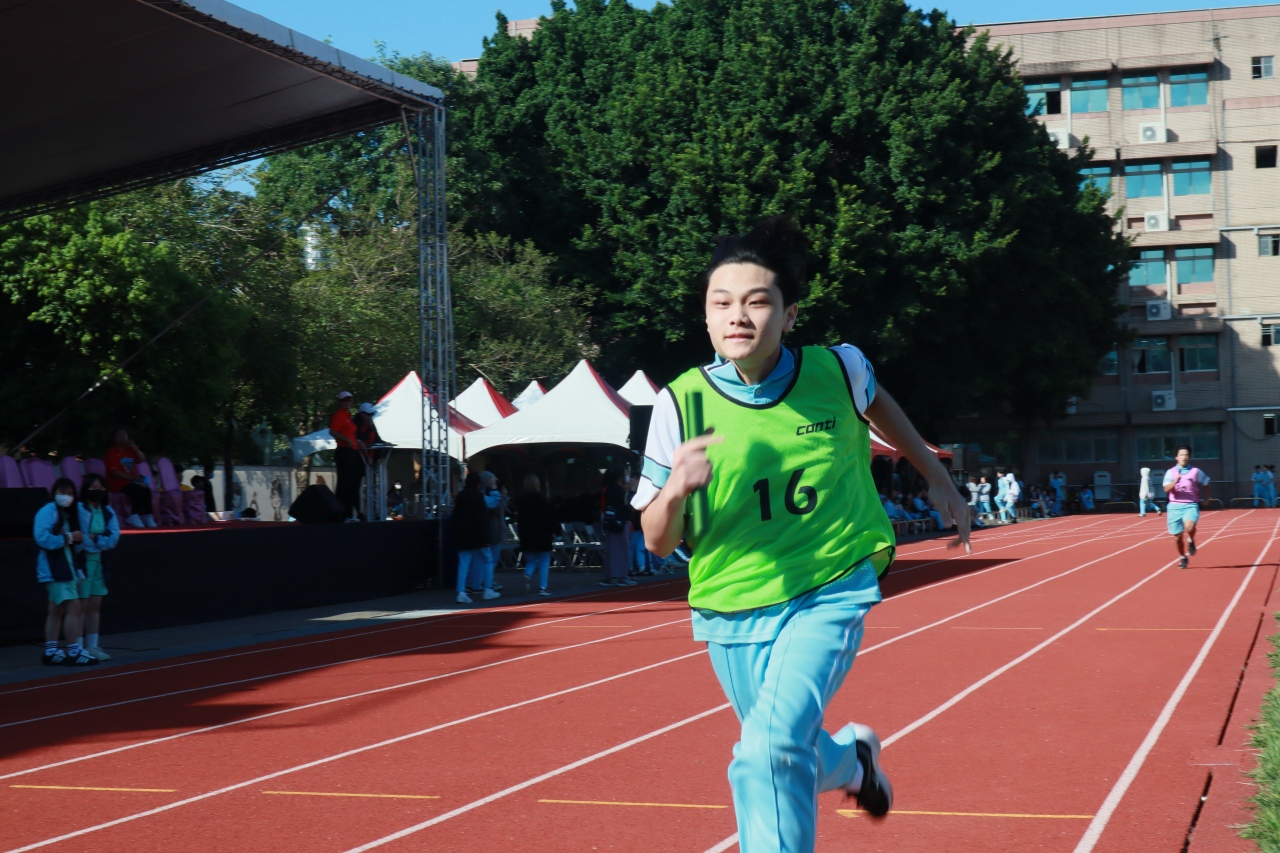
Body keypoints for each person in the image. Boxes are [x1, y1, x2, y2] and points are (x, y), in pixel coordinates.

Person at [632, 216, 971, 851]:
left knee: (765, 752)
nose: (738, 316)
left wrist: (936, 475)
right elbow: (656, 541)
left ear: (789, 315)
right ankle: (851, 763)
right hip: (730, 602)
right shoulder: (681, 404)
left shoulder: (837, 369)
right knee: (782, 749)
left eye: (757, 302)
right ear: (705, 317)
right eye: (721, 303)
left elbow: (878, 403)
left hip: (829, 585)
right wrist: (675, 489)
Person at [35, 478, 97, 666]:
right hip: (55, 569)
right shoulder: (47, 512)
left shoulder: (68, 514)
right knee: (74, 608)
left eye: (70, 493)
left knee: (56, 609)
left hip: (65, 567)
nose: (67, 497)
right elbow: (42, 538)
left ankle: (51, 651)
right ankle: (74, 651)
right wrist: (68, 537)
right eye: (63, 492)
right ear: (54, 492)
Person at [78, 473, 121, 660]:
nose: (98, 491)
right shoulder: (79, 509)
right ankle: (77, 647)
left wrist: (97, 538)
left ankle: (93, 646)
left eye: (101, 488)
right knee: (81, 606)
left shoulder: (108, 511)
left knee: (95, 605)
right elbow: (83, 538)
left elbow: (114, 538)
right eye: (94, 487)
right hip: (82, 562)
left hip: (100, 563)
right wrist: (97, 540)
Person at [453, 473, 500, 603]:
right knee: (488, 560)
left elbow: (455, 517)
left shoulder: (460, 496)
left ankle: (461, 592)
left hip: (464, 535)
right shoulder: (479, 496)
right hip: (479, 535)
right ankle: (488, 589)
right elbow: (490, 506)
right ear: (478, 484)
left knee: (464, 564)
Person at [1164, 446, 1210, 569]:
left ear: (1189, 457)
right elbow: (1166, 489)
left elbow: (1206, 482)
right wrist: (1175, 481)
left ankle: (1191, 539)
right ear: (1176, 457)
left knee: (1189, 526)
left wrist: (1206, 499)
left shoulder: (1195, 471)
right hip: (1174, 506)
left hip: (1191, 504)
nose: (1184, 457)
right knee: (1178, 538)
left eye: (1186, 455)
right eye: (1181, 455)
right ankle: (1183, 557)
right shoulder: (1171, 472)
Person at [511, 474, 557, 596]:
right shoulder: (542, 500)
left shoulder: (521, 502)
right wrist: (556, 531)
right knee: (544, 561)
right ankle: (543, 587)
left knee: (530, 561)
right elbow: (550, 518)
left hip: (527, 536)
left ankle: (527, 574)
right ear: (537, 485)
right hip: (542, 535)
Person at [104, 428, 155, 529]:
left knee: (146, 489)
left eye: (125, 435)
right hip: (117, 484)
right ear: (114, 439)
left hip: (131, 481)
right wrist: (131, 478)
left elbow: (142, 459)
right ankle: (134, 515)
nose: (123, 438)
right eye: (120, 435)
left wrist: (134, 448)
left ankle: (147, 515)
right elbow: (114, 472)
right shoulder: (111, 452)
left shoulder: (130, 451)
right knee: (137, 489)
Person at [329, 391, 362, 521]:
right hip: (344, 451)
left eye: (350, 400)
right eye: (345, 400)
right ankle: (342, 514)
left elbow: (350, 432)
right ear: (340, 401)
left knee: (352, 483)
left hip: (352, 451)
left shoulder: (348, 415)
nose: (348, 402)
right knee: (345, 484)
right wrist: (346, 439)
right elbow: (332, 431)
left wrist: (356, 441)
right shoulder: (339, 415)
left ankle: (349, 513)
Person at [599, 466, 635, 586]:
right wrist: (631, 490)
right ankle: (619, 576)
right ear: (620, 477)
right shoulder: (618, 489)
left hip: (613, 522)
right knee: (621, 550)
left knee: (612, 550)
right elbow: (629, 503)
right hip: (619, 522)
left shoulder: (609, 488)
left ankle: (612, 576)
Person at [481, 472, 508, 591]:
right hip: (494, 530)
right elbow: (498, 509)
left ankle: (486, 580)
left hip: (491, 530)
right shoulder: (489, 495)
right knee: (492, 559)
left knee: (488, 559)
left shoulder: (484, 495)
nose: (495, 483)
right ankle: (489, 581)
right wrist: (502, 496)